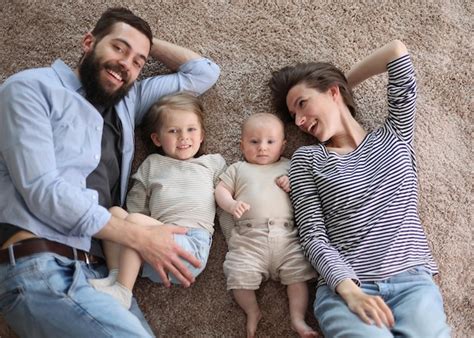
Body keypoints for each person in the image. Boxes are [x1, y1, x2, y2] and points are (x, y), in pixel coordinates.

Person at [0, 7, 220, 337]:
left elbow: (202, 72)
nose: (126, 64)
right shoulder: (30, 88)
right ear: (89, 42)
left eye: (138, 61)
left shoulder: (127, 101)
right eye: (118, 47)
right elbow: (43, 190)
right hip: (42, 266)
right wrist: (138, 236)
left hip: (103, 275)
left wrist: (143, 41)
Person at [269, 40, 451, 337]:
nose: (300, 121)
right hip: (348, 287)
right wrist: (348, 290)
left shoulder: (396, 133)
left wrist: (342, 83)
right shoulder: (308, 159)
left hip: (412, 283)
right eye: (293, 117)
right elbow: (313, 236)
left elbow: (396, 51)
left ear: (332, 92)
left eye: (302, 104)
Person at [89, 92, 226, 309]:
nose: (184, 137)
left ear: (201, 136)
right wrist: (136, 224)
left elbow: (229, 188)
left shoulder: (212, 163)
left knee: (133, 223)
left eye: (191, 129)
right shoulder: (152, 164)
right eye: (173, 131)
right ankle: (117, 275)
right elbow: (137, 204)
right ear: (157, 139)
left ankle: (124, 292)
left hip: (191, 246)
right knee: (114, 213)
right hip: (153, 244)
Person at [215, 113, 317, 338]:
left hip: (287, 236)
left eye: (270, 142)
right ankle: (252, 311)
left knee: (298, 277)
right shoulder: (238, 169)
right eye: (254, 142)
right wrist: (231, 205)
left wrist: (293, 183)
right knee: (237, 275)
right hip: (249, 238)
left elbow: (309, 191)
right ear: (242, 145)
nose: (262, 148)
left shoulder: (290, 166)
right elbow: (220, 191)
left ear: (283, 146)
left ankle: (297, 318)